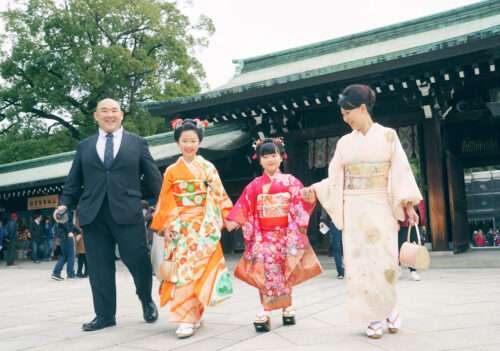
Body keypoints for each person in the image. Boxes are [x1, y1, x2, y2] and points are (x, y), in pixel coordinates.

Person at [301, 84, 422, 339]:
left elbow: (400, 171)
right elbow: (334, 179)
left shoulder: (388, 136)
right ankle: (373, 315)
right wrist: (315, 189)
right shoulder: (345, 144)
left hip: (380, 206)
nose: (345, 119)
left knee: (384, 259)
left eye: (348, 113)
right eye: (343, 115)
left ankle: (391, 309)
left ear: (362, 108)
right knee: (360, 263)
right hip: (354, 207)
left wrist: (408, 205)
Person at [53, 98, 162, 332]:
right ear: (96, 116)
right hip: (93, 214)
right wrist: (65, 204)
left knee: (138, 260)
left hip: (128, 212)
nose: (109, 115)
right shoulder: (84, 146)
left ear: (121, 115)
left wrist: (164, 203)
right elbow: (74, 180)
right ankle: (104, 315)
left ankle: (146, 299)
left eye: (114, 111)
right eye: (104, 111)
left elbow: (153, 177)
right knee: (99, 267)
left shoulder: (137, 143)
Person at [225, 138, 322, 333]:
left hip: (286, 234)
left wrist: (310, 200)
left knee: (286, 270)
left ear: (281, 157)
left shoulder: (291, 182)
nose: (270, 159)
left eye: (274, 155)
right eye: (265, 156)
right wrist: (233, 221)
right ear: (259, 160)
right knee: (266, 270)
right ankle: (266, 309)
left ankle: (287, 306)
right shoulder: (254, 185)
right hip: (263, 236)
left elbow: (301, 204)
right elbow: (245, 206)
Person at [150, 118, 234, 339]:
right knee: (183, 273)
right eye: (184, 140)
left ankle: (195, 313)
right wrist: (166, 225)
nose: (189, 145)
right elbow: (166, 199)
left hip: (204, 227)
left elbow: (219, 194)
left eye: (193, 141)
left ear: (199, 142)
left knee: (200, 272)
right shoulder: (171, 171)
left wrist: (228, 217)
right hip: (181, 228)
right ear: (178, 143)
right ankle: (186, 318)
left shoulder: (208, 168)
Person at [398, 200, 427, 281]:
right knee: (400, 246)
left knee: (413, 247)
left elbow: (421, 209)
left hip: (414, 223)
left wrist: (423, 223)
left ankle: (413, 271)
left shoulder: (415, 194)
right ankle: (398, 267)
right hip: (402, 223)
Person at [319, 209, 344, 279]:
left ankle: (341, 272)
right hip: (336, 222)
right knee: (337, 248)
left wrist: (322, 220)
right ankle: (341, 271)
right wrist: (322, 220)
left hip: (340, 222)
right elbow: (324, 206)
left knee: (338, 248)